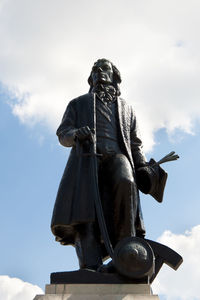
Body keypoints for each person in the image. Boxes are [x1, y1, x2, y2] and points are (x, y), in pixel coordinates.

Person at [51, 59, 167, 271]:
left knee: (126, 181)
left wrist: (142, 167)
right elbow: (63, 133)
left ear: (115, 76)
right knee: (85, 213)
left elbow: (135, 144)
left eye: (104, 68)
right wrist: (76, 134)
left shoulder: (127, 109)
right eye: (94, 70)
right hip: (86, 161)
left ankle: (126, 251)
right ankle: (90, 266)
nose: (98, 72)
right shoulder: (78, 103)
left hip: (117, 158)